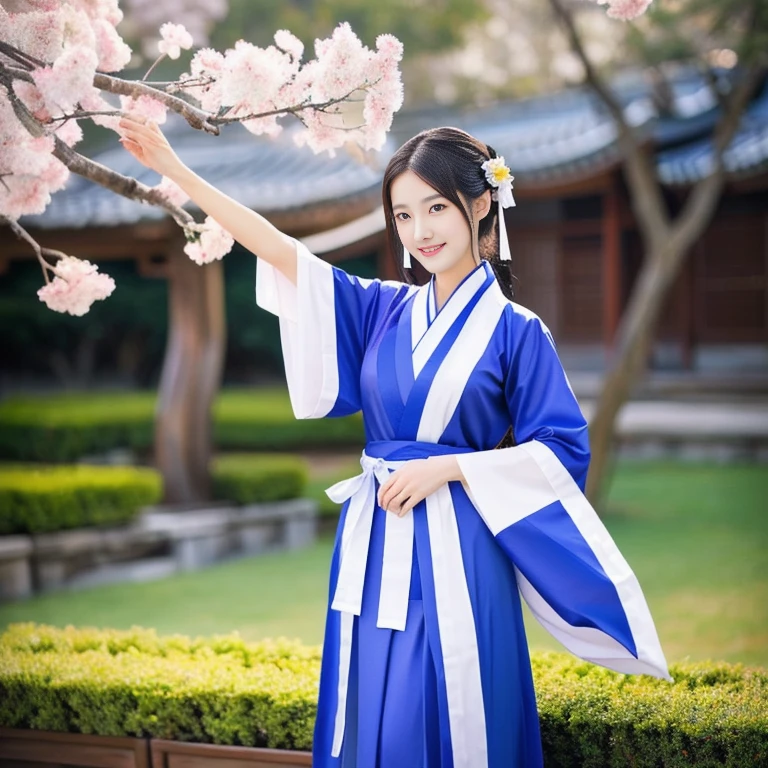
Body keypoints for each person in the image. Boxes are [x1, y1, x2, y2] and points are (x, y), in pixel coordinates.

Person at [119, 116, 671, 768]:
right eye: (404, 215)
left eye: (435, 207)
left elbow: (562, 452)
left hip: (461, 552)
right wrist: (178, 172)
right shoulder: (383, 309)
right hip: (376, 540)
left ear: (483, 200)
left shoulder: (517, 332)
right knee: (369, 699)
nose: (421, 230)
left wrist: (453, 470)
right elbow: (279, 250)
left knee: (452, 706)